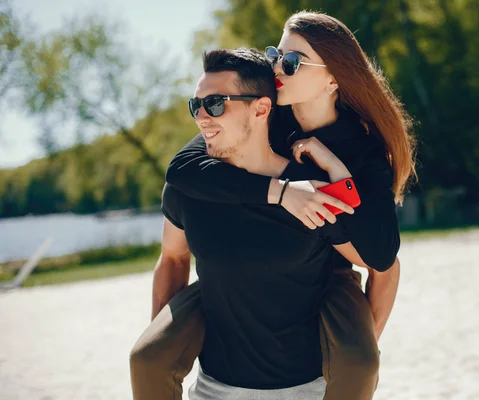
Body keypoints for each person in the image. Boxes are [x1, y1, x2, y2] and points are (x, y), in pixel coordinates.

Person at [131, 10, 415, 400]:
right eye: (275, 55)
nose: (278, 67)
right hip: (240, 280)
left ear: (333, 79)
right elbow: (182, 170)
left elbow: (381, 257)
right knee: (148, 356)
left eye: (293, 61)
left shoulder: (362, 151)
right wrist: (280, 192)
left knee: (359, 362)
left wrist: (335, 170)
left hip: (325, 275)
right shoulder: (268, 118)